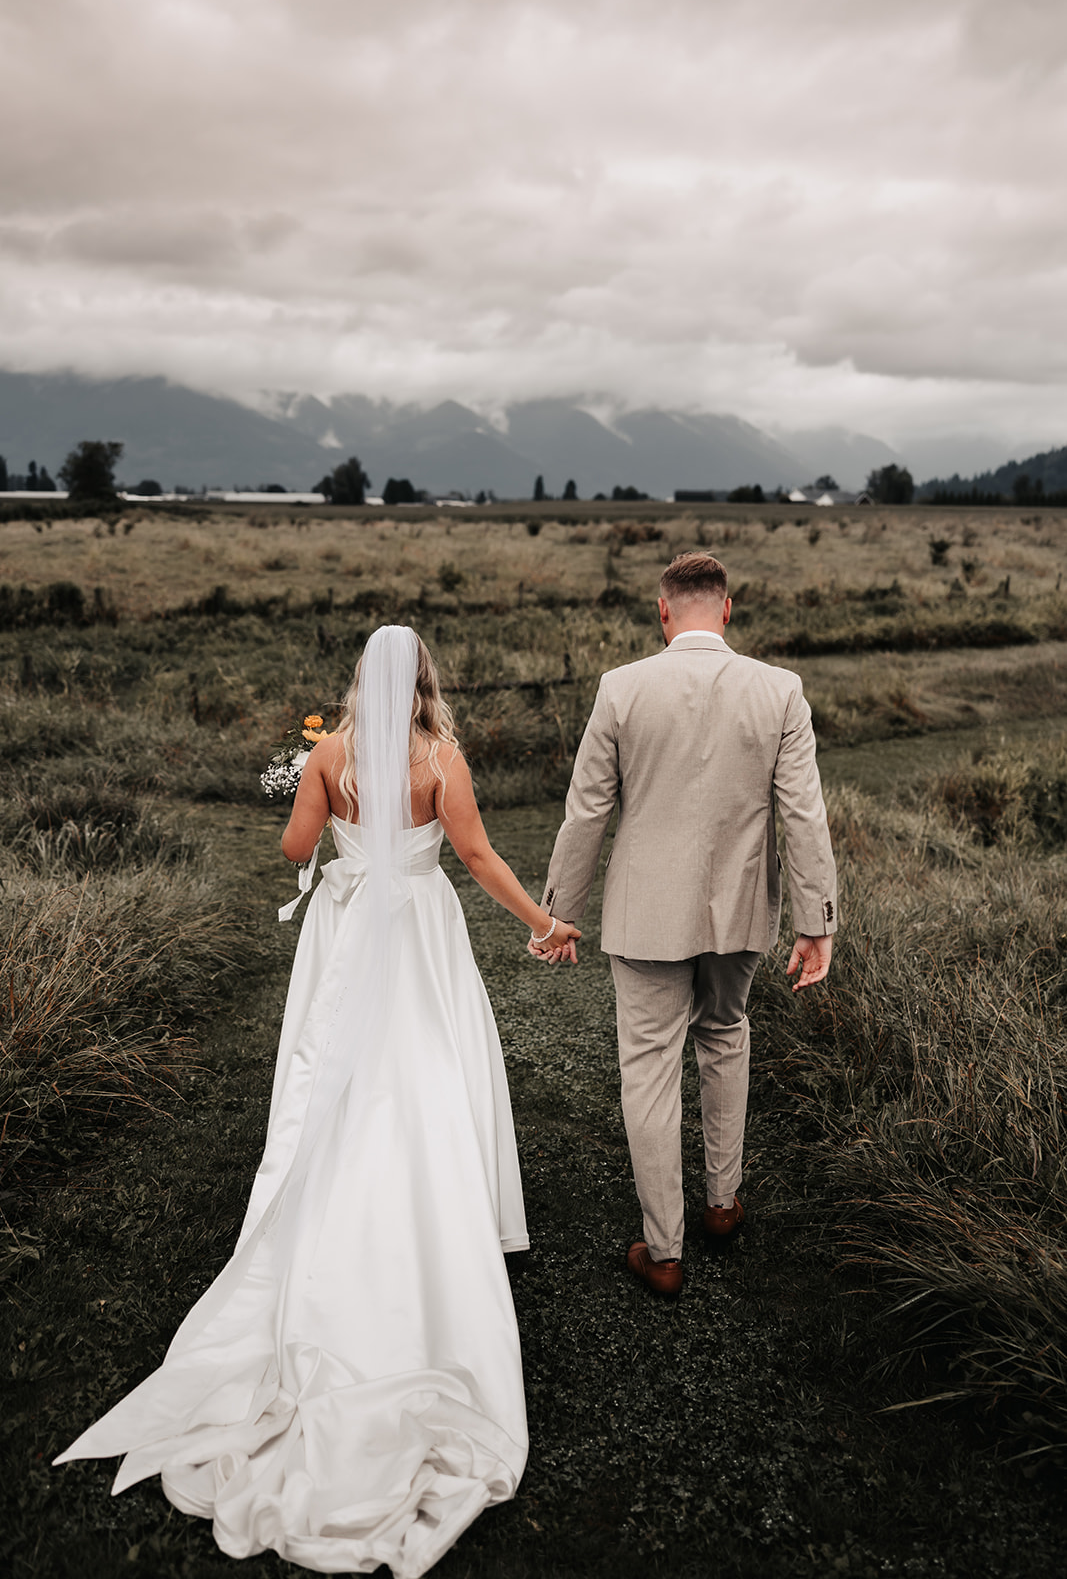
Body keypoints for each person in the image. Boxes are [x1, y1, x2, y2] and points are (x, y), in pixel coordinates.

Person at [55, 625, 579, 1577]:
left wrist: (305, 797)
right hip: (419, 931)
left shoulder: (329, 755)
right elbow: (478, 856)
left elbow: (299, 846)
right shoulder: (440, 758)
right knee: (421, 1063)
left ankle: (333, 1193)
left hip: (344, 928)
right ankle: (424, 1203)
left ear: (354, 684)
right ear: (423, 680)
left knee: (336, 1067)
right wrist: (544, 924)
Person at [533, 552, 837, 1296]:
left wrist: (559, 914)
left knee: (647, 1069)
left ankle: (663, 1251)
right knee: (726, 1037)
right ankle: (723, 1205)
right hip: (740, 912)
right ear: (725, 610)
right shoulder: (780, 690)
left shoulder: (621, 688)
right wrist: (814, 920)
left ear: (662, 611)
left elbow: (587, 811)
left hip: (644, 914)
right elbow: (802, 812)